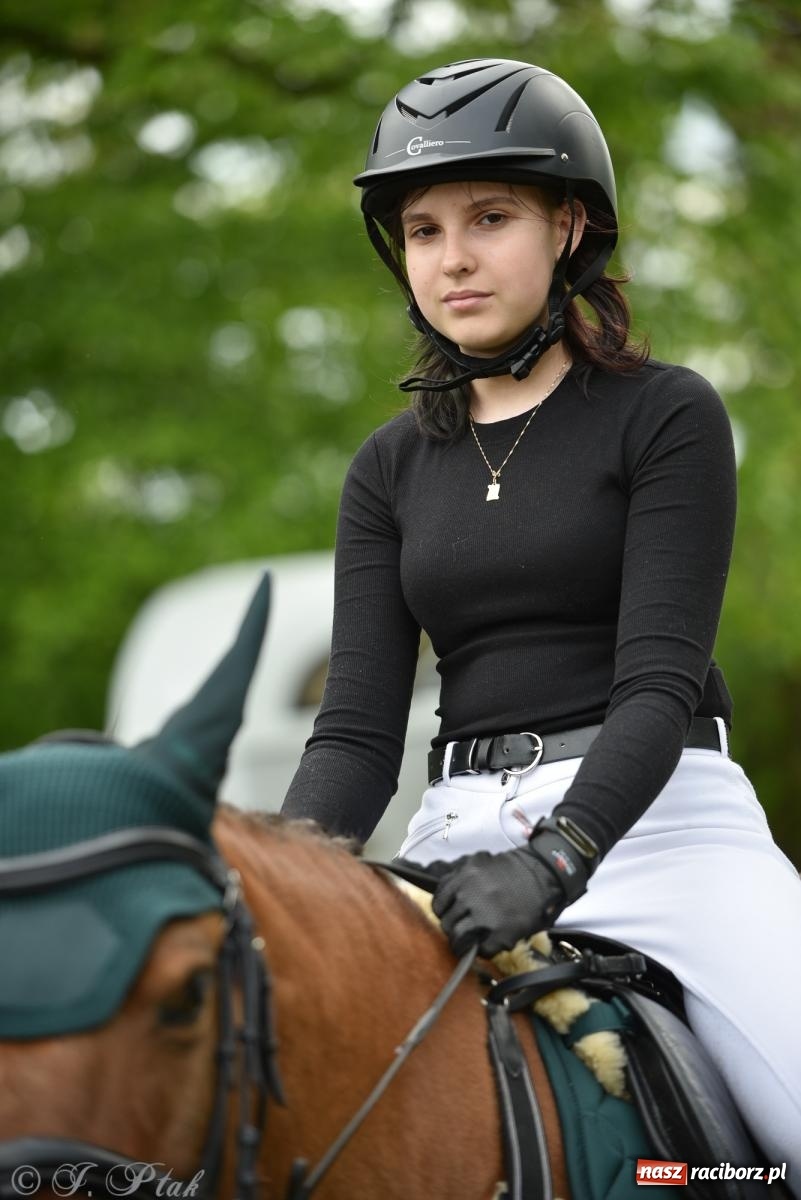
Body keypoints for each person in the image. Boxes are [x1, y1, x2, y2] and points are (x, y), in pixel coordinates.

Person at [282, 58, 801, 1180]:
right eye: (422, 230)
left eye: (490, 217)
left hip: (661, 827)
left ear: (569, 226)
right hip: (456, 837)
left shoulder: (667, 416)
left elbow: (660, 683)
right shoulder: (385, 468)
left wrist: (558, 856)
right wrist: (283, 880)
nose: (453, 257)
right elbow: (358, 735)